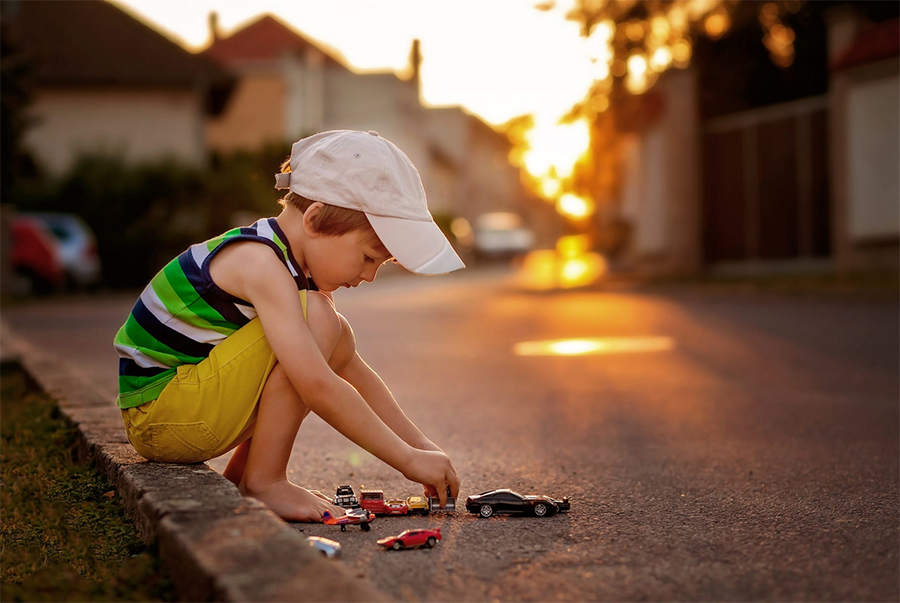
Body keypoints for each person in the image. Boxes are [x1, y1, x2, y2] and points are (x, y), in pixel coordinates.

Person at [113, 130, 464, 522]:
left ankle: (250, 477)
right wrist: (406, 460)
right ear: (314, 220)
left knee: (332, 331)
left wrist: (423, 448)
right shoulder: (260, 263)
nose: (369, 276)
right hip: (164, 417)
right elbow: (315, 384)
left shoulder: (287, 267)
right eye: (368, 258)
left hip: (180, 411)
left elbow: (352, 372)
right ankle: (265, 482)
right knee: (319, 320)